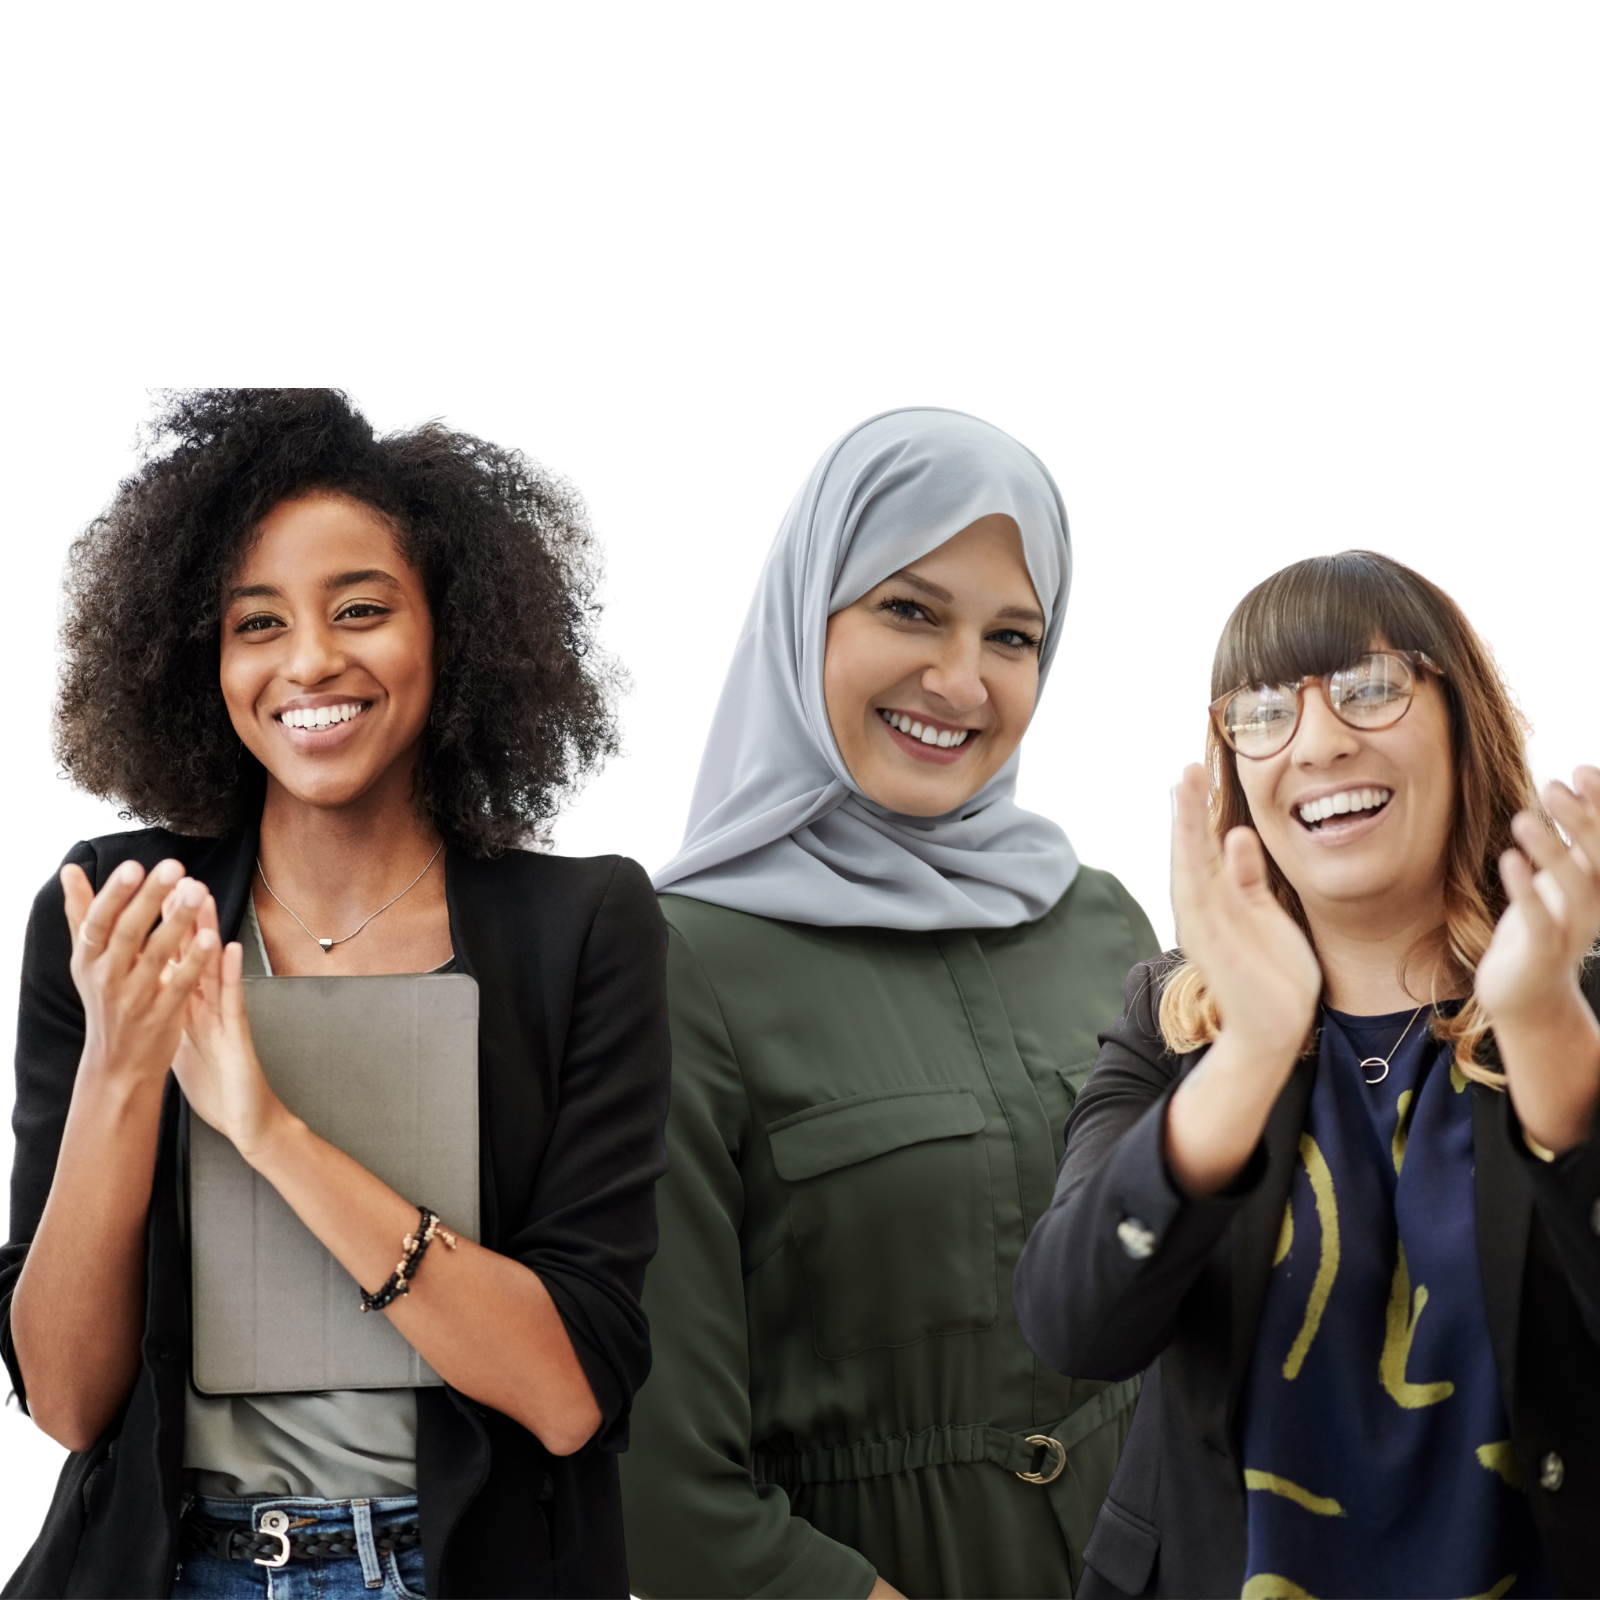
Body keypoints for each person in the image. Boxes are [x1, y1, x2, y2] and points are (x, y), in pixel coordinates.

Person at [1, 389, 671, 1598]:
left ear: (452, 630)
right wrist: (121, 1066)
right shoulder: (113, 913)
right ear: (201, 657)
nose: (309, 661)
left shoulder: (582, 928)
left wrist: (268, 1128)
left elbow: (569, 1392)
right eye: (256, 623)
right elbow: (65, 1401)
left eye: (361, 609)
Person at [620, 407, 1164, 1600]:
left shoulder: (1099, 916)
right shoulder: (670, 961)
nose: (960, 681)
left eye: (1012, 635)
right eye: (910, 610)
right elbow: (667, 1495)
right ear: (802, 609)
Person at [1013, 548, 1599, 1599]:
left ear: (1462, 720)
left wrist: (1545, 1027)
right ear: (1232, 769)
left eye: (1370, 687)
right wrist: (1246, 1056)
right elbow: (1074, 1326)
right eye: (1264, 711)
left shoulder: (1577, 1009)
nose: (1319, 741)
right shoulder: (1169, 1023)